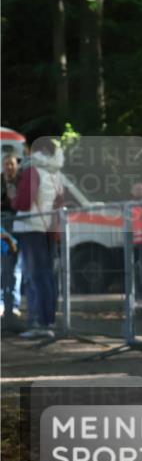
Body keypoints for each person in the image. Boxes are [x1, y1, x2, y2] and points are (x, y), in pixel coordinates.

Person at [11, 137, 64, 338]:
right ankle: (47, 321)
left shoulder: (32, 170)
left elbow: (23, 203)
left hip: (30, 228)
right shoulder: (56, 174)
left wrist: (14, 198)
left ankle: (38, 324)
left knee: (34, 276)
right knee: (46, 276)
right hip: (46, 229)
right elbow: (59, 203)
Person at [1, 154, 22, 319]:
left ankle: (14, 304)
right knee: (2, 266)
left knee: (15, 267)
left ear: (16, 166)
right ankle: (1, 303)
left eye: (12, 164)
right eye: (6, 164)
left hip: (18, 228)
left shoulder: (21, 182)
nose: (9, 167)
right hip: (2, 228)